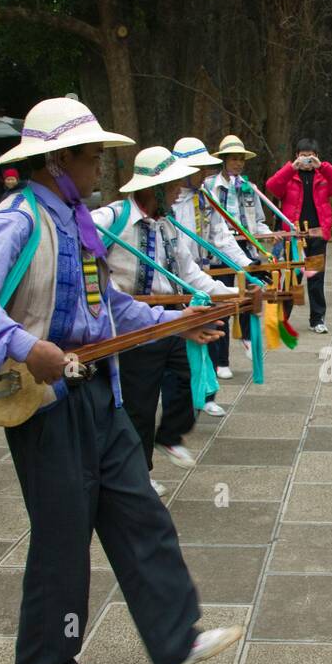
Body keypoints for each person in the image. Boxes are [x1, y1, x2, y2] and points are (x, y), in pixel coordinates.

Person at [0, 97, 243, 664]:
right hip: (46, 401)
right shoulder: (18, 220)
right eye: (92, 154)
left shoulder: (78, 220)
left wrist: (180, 321)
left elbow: (109, 307)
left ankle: (174, 634)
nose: (101, 165)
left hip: (100, 389)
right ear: (57, 161)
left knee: (139, 510)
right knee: (63, 533)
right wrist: (24, 346)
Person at [92, 145, 240, 488]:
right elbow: (80, 246)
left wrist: (235, 294)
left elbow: (190, 273)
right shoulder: (112, 219)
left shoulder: (168, 226)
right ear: (152, 188)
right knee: (139, 406)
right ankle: (139, 473)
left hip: (173, 318)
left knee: (188, 383)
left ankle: (170, 435)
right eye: (172, 187)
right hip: (131, 324)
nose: (177, 194)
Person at [168, 135, 245, 426]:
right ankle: (184, 401)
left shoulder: (205, 198)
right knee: (179, 346)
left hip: (201, 275)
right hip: (176, 280)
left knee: (211, 334)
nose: (205, 173)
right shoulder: (171, 202)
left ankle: (208, 396)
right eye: (199, 168)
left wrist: (248, 266)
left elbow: (221, 238)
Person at [204, 134, 273, 379]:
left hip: (246, 247)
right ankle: (221, 360)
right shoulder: (210, 187)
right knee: (222, 301)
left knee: (249, 293)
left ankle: (246, 336)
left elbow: (259, 220)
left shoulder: (248, 187)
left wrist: (267, 236)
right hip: (219, 250)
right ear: (223, 160)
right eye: (233, 159)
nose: (238, 164)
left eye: (241, 159)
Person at [265, 137, 332, 334]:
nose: (307, 160)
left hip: (317, 235)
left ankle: (317, 318)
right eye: (303, 156)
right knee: (293, 276)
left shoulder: (323, 176)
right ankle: (283, 318)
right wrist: (291, 168)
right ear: (296, 157)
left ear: (317, 156)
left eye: (311, 156)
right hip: (294, 237)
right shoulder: (289, 177)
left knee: (316, 277)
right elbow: (272, 186)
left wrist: (323, 167)